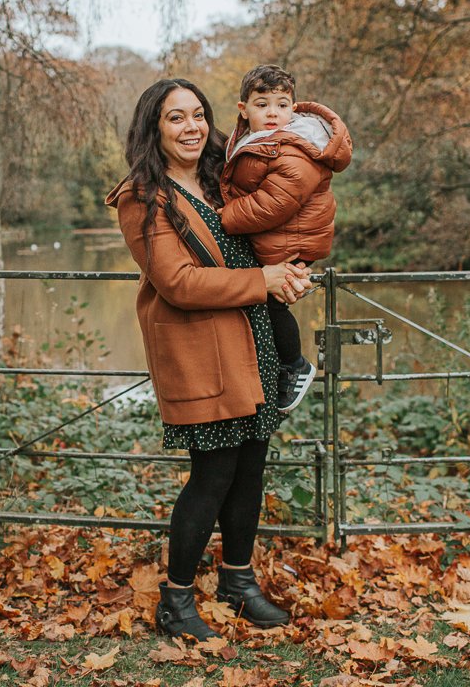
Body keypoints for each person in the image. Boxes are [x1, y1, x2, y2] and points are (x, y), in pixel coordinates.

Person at [104, 78, 312, 642]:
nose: (192, 127)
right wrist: (261, 280)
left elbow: (270, 226)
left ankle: (237, 583)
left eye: (198, 115)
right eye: (176, 118)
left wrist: (288, 270)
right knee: (213, 473)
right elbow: (176, 281)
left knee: (250, 468)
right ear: (154, 128)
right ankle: (175, 599)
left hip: (252, 340)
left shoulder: (224, 177)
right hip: (200, 352)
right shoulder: (142, 197)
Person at [220, 64, 353, 412]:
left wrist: (224, 217)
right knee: (256, 298)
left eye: (281, 104)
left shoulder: (296, 146)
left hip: (293, 241)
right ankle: (268, 368)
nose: (272, 112)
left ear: (294, 108)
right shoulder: (255, 139)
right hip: (278, 238)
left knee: (269, 303)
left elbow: (273, 205)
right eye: (262, 104)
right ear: (243, 109)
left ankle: (294, 365)